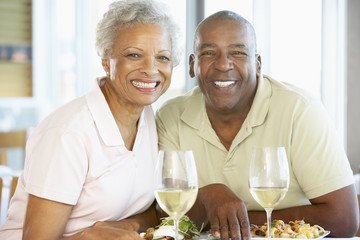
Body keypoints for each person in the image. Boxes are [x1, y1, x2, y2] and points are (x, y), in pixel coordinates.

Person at [155, 10, 359, 240]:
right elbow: (168, 215)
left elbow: (343, 219)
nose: (223, 64)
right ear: (193, 65)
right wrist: (206, 196)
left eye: (238, 52)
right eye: (209, 52)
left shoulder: (299, 110)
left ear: (258, 64)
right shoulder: (170, 115)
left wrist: (234, 220)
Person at [0, 0, 181, 239]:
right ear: (106, 60)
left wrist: (127, 226)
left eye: (163, 57)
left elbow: (149, 210)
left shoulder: (147, 118)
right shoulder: (68, 133)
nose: (151, 69)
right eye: (134, 55)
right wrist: (89, 237)